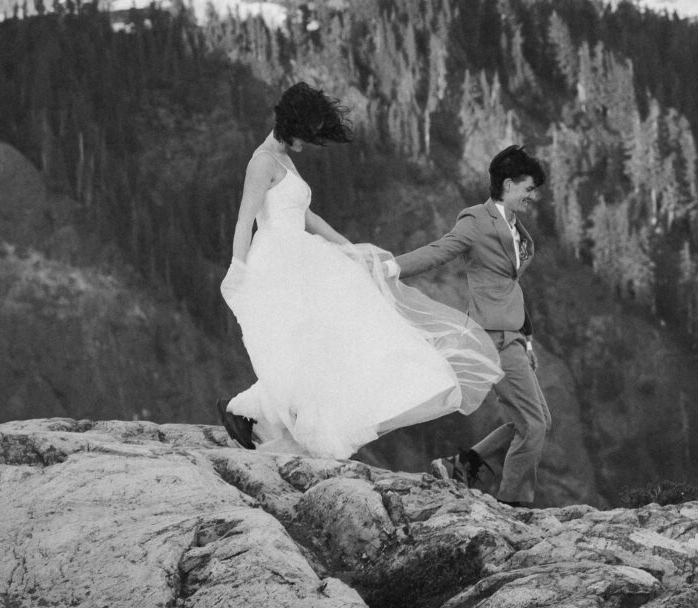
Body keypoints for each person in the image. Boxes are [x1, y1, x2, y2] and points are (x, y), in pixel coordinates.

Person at [219, 82, 501, 461]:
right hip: (278, 261)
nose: (308, 142)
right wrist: (237, 268)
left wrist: (348, 249)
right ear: (290, 125)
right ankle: (245, 411)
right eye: (306, 134)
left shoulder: (283, 158)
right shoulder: (262, 161)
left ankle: (249, 414)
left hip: (299, 255)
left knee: (317, 343)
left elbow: (306, 215)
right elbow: (245, 219)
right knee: (302, 343)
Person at [390, 144, 551, 506]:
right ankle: (513, 503)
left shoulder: (515, 227)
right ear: (508, 184)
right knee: (534, 425)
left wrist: (527, 339)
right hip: (492, 337)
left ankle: (461, 464)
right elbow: (439, 250)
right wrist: (389, 267)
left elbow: (511, 286)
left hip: (512, 336)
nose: (533, 196)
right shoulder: (477, 221)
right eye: (529, 188)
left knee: (536, 420)